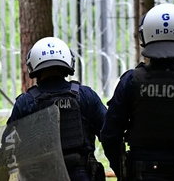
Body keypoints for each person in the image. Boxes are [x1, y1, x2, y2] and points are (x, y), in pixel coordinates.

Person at [100, 3, 174, 181]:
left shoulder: (131, 82)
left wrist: (123, 171)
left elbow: (110, 134)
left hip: (141, 172)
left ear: (144, 34)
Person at [6, 36, 107, 181]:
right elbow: (109, 133)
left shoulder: (25, 102)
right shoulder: (85, 96)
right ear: (67, 63)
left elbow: (8, 147)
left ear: (33, 66)